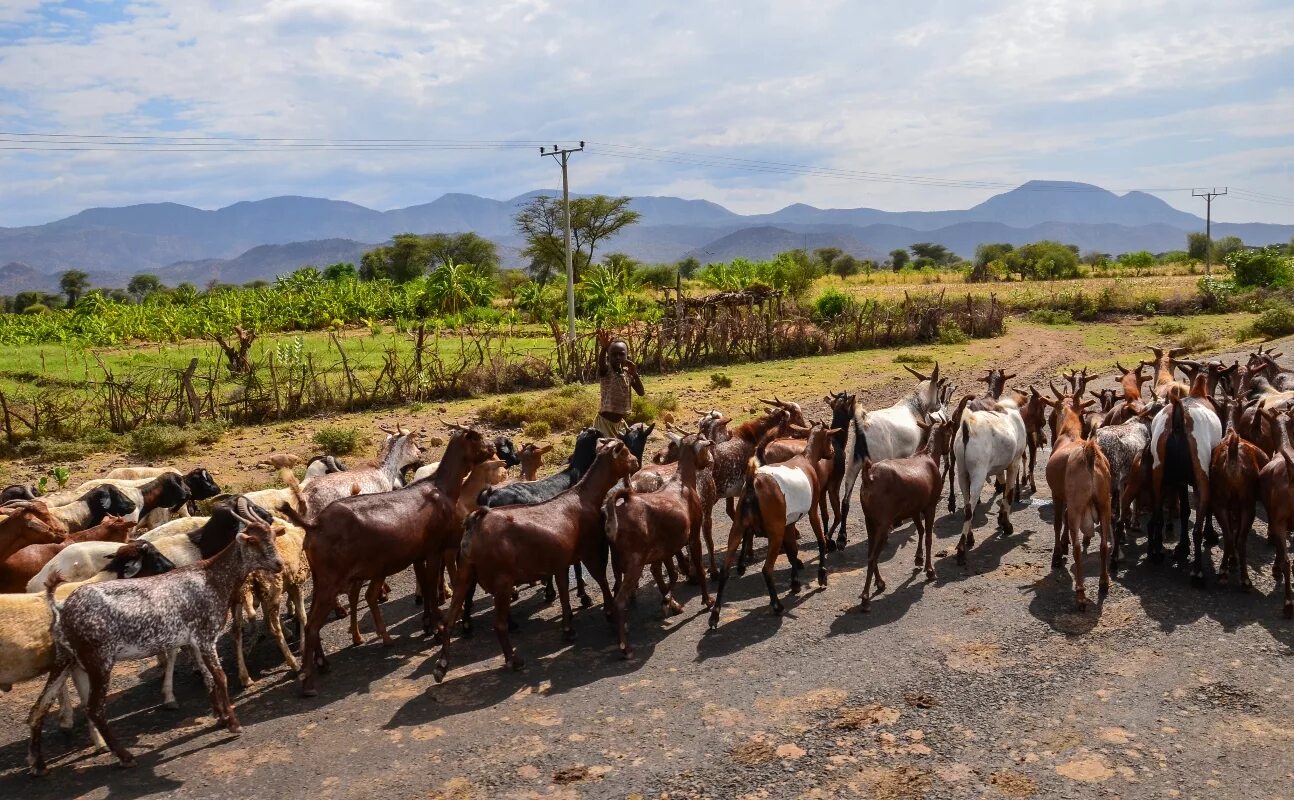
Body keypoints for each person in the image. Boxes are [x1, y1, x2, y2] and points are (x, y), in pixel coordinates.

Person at [594, 330, 645, 437]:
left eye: (621, 354)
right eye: (614, 355)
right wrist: (604, 348)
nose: (618, 357)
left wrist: (634, 374)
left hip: (620, 423)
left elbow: (641, 392)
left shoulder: (627, 373)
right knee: (606, 451)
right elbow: (601, 364)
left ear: (627, 356)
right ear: (608, 357)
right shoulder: (607, 372)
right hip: (605, 423)